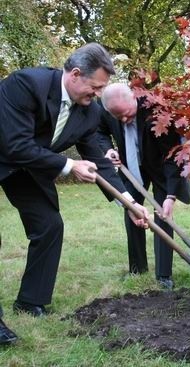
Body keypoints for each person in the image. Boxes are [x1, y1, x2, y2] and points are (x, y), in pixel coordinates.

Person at [0, 43, 149, 342]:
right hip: (8, 152)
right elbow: (14, 145)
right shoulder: (26, 84)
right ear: (76, 74)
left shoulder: (89, 112)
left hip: (25, 168)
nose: (97, 96)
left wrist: (131, 203)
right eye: (95, 88)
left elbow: (98, 160)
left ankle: (31, 301)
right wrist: (69, 165)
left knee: (49, 225)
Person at [97, 83, 190, 290]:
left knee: (162, 213)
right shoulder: (106, 110)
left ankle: (164, 275)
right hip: (130, 166)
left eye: (127, 114)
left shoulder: (157, 110)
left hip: (160, 166)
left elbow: (173, 155)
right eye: (117, 116)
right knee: (131, 209)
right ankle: (137, 268)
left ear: (133, 98)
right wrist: (108, 149)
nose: (123, 120)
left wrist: (171, 195)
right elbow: (99, 131)